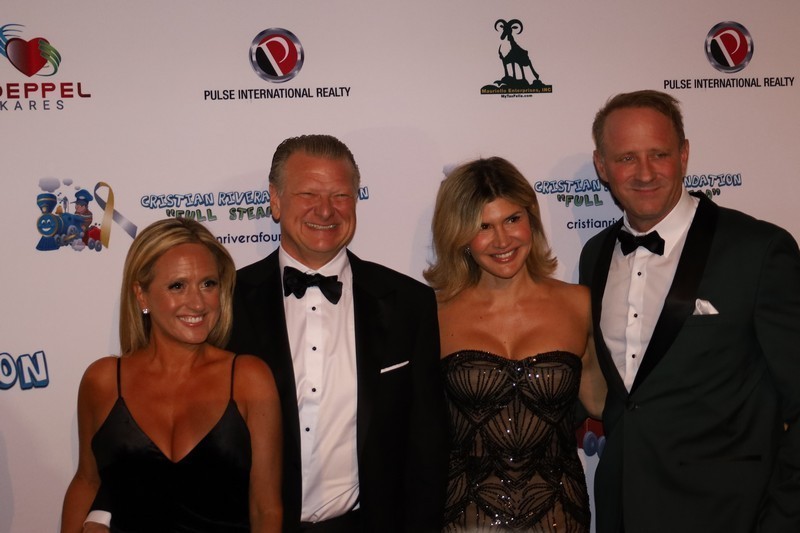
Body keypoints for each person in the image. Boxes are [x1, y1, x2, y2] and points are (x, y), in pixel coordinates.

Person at [580, 89, 800, 532]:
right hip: (622, 509)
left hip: (731, 514)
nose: (645, 173)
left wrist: (783, 519)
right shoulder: (596, 254)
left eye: (659, 154)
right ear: (602, 166)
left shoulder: (758, 251)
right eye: (626, 158)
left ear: (683, 155)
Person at [226, 134, 448, 533]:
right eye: (308, 194)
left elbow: (427, 446)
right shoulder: (226, 302)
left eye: (341, 196)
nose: (326, 210)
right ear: (275, 200)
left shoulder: (409, 303)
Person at [62, 218, 283, 533]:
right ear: (142, 295)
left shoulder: (249, 379)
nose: (198, 302)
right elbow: (87, 481)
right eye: (178, 286)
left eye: (208, 284)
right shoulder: (103, 380)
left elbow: (266, 509)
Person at [425, 157, 606, 532]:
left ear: (531, 219)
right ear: (459, 236)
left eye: (512, 219)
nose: (503, 240)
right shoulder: (432, 314)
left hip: (560, 518)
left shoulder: (579, 304)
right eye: (483, 227)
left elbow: (603, 403)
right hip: (463, 520)